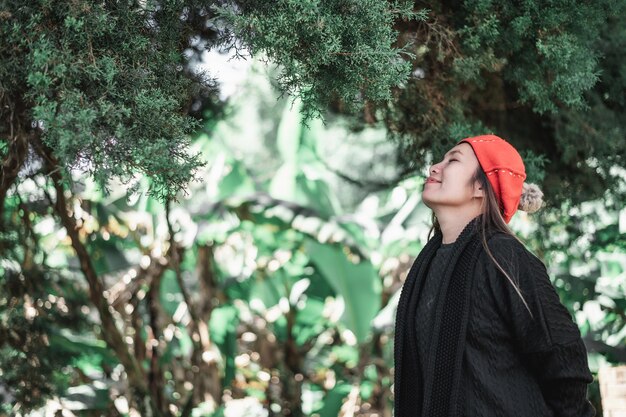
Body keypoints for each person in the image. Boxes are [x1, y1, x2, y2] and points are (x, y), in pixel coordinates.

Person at [393, 134, 595, 417]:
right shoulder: (429, 262)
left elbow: (563, 357)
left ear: (480, 185)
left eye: (452, 161)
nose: (434, 167)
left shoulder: (504, 258)